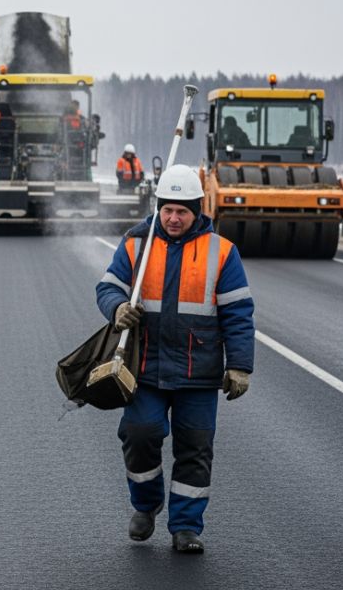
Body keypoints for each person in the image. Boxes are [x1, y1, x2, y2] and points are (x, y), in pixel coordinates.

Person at [96, 165, 254, 553]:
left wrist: (239, 365)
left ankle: (186, 528)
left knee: (195, 448)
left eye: (182, 211)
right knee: (139, 434)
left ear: (198, 210)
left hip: (197, 372)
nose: (173, 218)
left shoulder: (222, 252)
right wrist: (116, 308)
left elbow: (238, 312)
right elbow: (108, 287)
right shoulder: (137, 244)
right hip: (145, 367)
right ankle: (146, 505)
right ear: (158, 207)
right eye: (167, 209)